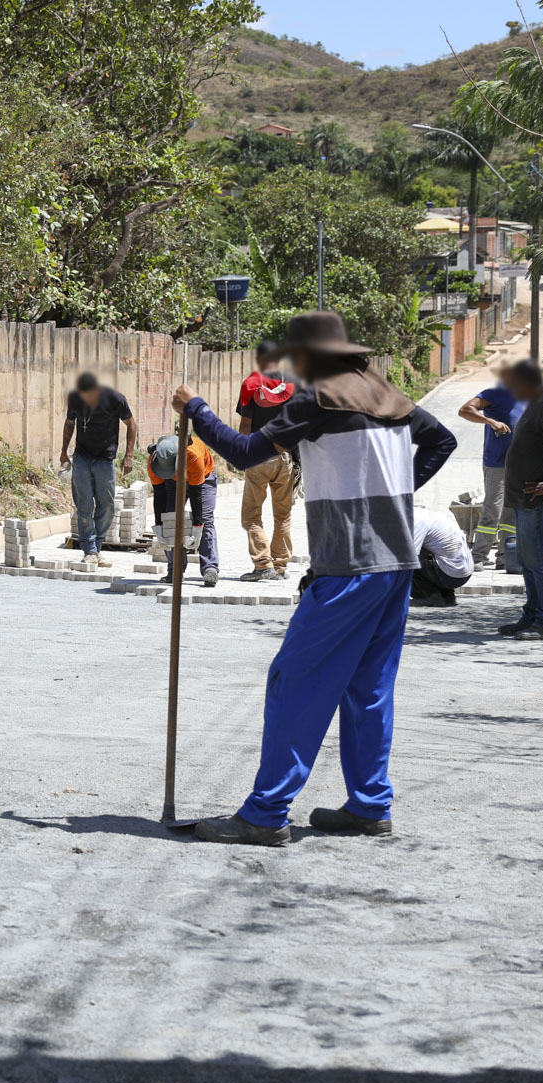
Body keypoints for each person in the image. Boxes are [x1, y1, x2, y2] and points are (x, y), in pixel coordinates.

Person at [168, 310, 456, 846]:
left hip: (350, 564)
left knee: (294, 682)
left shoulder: (320, 398)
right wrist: (393, 498)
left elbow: (246, 452)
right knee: (369, 688)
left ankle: (266, 813)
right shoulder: (388, 395)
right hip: (395, 562)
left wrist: (197, 409)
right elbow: (442, 443)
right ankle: (370, 805)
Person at [495, 358, 543, 640]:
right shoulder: (533, 405)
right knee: (528, 560)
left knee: (542, 559)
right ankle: (531, 615)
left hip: (539, 500)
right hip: (523, 500)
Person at [235, 340, 299, 581]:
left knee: (251, 516)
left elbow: (245, 425)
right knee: (283, 515)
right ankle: (281, 566)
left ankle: (263, 565)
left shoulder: (251, 385)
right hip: (285, 457)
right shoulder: (291, 385)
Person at [59, 371, 137, 568]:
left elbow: (131, 424)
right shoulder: (75, 398)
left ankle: (98, 545)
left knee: (107, 505)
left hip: (105, 459)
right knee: (84, 505)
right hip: (82, 458)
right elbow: (69, 424)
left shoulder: (115, 399)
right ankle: (90, 550)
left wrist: (128, 456)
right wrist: (63, 451)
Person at [457, 366, 526, 572]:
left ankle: (506, 556)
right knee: (492, 510)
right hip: (497, 463)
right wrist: (491, 421)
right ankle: (478, 557)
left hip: (520, 464)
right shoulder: (493, 395)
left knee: (511, 513)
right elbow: (464, 410)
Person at [146, 432, 219, 586]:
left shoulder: (193, 457)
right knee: (170, 520)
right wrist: (160, 526)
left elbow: (196, 495)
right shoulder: (154, 461)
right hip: (173, 483)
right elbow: (159, 496)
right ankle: (175, 569)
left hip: (203, 479)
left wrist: (197, 529)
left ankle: (210, 568)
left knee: (205, 520)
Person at [408, 505, 474, 608]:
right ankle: (447, 596)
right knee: (434, 551)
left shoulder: (416, 520)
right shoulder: (426, 513)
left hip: (451, 574)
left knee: (405, 557)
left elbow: (408, 558)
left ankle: (428, 595)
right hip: (462, 573)